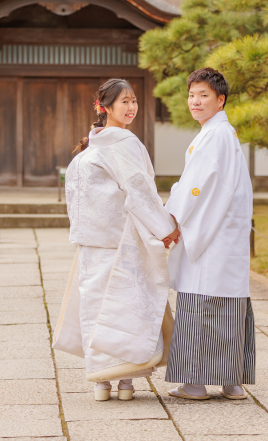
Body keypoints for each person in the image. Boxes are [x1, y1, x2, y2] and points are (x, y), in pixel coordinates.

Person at [53, 78, 181, 402]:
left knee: (97, 308)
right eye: (124, 101)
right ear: (105, 107)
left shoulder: (88, 150)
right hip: (119, 242)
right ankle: (124, 382)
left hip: (93, 244)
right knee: (124, 310)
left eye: (134, 100)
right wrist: (165, 228)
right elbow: (140, 191)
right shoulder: (122, 143)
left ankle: (104, 383)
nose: (131, 107)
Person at [164, 67, 255, 400]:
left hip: (212, 233)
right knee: (230, 302)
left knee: (200, 302)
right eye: (191, 95)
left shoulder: (214, 135)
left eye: (203, 95)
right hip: (226, 234)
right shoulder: (223, 133)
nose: (195, 101)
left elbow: (194, 188)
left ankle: (194, 382)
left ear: (221, 99)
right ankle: (232, 382)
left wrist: (172, 219)